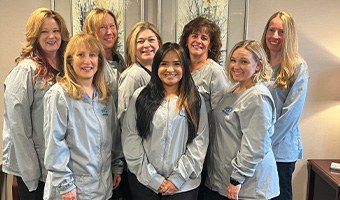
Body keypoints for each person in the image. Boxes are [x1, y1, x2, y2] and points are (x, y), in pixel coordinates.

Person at [121, 42, 209, 200]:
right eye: (164, 64)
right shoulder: (140, 97)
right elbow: (131, 138)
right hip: (144, 184)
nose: (170, 70)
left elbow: (199, 142)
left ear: (185, 67)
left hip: (183, 187)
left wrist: (177, 178)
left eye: (177, 64)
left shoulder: (195, 100)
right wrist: (153, 179)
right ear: (156, 67)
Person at [43, 33, 123, 199]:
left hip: (103, 187)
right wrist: (65, 185)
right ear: (70, 60)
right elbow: (55, 142)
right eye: (81, 55)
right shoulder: (59, 95)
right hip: (72, 190)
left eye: (92, 55)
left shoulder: (103, 96)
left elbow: (113, 135)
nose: (87, 61)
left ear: (99, 60)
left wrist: (116, 165)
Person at [2, 8, 69, 200]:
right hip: (35, 170)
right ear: (34, 35)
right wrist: (30, 175)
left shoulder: (67, 69)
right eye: (44, 31)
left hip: (59, 167)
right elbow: (19, 128)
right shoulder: (25, 71)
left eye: (55, 31)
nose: (51, 36)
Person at [205, 40, 280, 200]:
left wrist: (237, 178)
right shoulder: (235, 90)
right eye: (233, 60)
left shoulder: (257, 97)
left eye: (244, 61)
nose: (235, 66)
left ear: (258, 65)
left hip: (247, 187)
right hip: (227, 178)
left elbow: (255, 146)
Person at [179, 16, 230, 199]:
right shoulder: (180, 67)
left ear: (211, 45)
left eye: (204, 38)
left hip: (202, 148)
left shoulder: (215, 72)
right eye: (194, 35)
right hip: (178, 145)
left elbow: (220, 118)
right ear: (186, 39)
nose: (198, 41)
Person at [261, 11, 309, 200]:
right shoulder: (259, 63)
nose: (274, 36)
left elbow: (290, 116)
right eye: (271, 30)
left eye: (281, 32)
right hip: (256, 148)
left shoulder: (298, 66)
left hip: (279, 151)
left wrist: (262, 145)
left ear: (289, 36)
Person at [117, 21, 162, 125]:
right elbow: (125, 118)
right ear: (133, 46)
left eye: (151, 40)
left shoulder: (160, 73)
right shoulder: (133, 76)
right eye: (140, 41)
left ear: (158, 42)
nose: (147, 45)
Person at [83, 7, 126, 107]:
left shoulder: (119, 59)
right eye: (103, 27)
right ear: (91, 32)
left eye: (112, 26)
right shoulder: (90, 64)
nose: (109, 32)